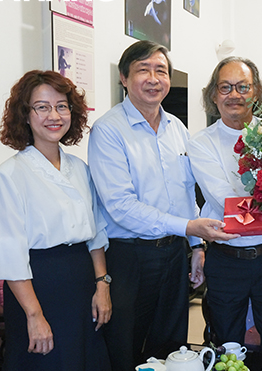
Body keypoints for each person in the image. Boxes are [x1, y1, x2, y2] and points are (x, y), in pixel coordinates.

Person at [87, 40, 235, 371]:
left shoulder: (178, 130)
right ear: (124, 78)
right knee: (124, 347)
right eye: (143, 70)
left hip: (173, 255)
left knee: (171, 347)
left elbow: (186, 197)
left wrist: (196, 246)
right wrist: (188, 229)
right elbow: (120, 206)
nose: (154, 78)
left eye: (161, 71)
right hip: (128, 257)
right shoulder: (109, 131)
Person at [0, 70, 111, 370]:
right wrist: (34, 315)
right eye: (42, 107)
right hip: (38, 285)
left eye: (62, 106)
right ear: (25, 115)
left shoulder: (79, 169)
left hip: (82, 282)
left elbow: (96, 232)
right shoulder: (8, 175)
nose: (53, 115)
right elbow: (10, 253)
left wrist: (102, 285)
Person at [187, 57, 262, 354]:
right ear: (213, 94)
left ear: (257, 92)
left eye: (242, 86)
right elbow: (226, 200)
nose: (234, 95)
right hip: (226, 259)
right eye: (225, 87)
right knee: (227, 345)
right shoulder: (201, 143)